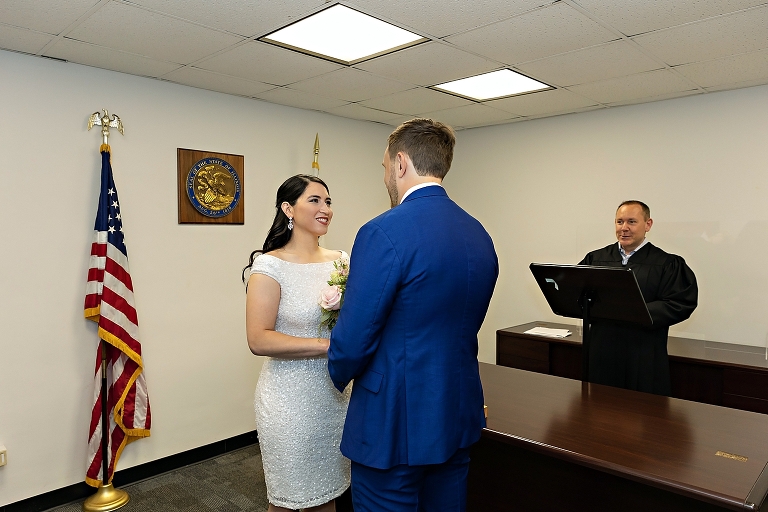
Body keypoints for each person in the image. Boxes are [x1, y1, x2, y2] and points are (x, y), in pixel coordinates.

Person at [327, 118, 499, 511]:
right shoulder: (478, 233)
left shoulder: (382, 231)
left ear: (400, 163)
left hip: (393, 418)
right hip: (456, 409)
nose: (385, 174)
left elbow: (354, 337)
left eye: (385, 165)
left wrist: (338, 372)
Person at [244, 174, 351, 512]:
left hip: (335, 397)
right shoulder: (270, 265)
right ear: (288, 208)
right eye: (315, 200)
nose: (325, 209)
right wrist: (329, 347)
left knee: (328, 495)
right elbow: (258, 339)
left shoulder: (342, 261)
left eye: (328, 201)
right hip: (289, 401)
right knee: (288, 500)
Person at [579, 200, 698, 395]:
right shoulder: (596, 259)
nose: (624, 228)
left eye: (632, 222)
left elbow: (680, 303)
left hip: (643, 352)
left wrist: (633, 311)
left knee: (641, 414)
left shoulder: (667, 264)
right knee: (599, 411)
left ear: (648, 225)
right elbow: (578, 294)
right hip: (602, 350)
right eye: (619, 222)